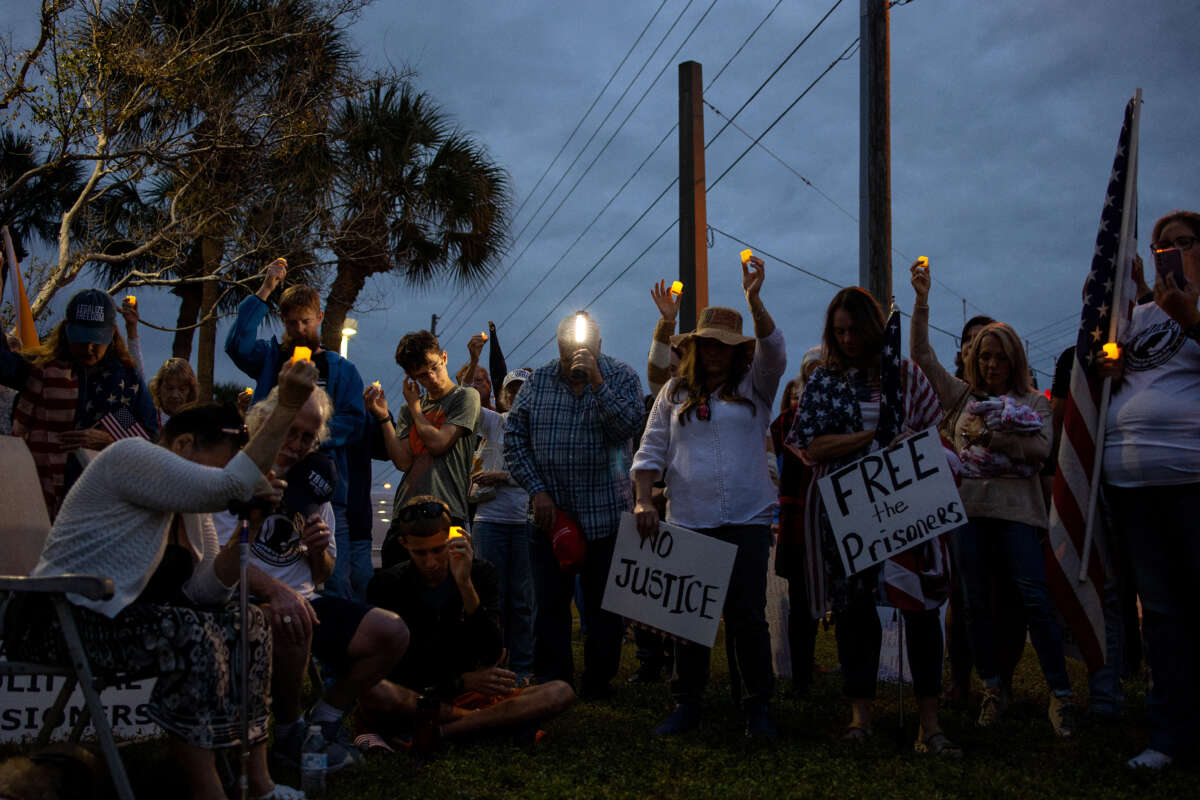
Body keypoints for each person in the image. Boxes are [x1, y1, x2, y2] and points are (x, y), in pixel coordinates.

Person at [4, 359, 321, 800]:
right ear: (184, 444)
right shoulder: (131, 456)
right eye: (228, 460)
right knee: (191, 633)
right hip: (60, 619)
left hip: (118, 624)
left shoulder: (191, 514)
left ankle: (259, 784)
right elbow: (229, 486)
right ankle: (207, 790)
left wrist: (243, 532)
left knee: (247, 622)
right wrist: (286, 405)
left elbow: (203, 592)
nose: (232, 474)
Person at [786, 286, 957, 755]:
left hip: (908, 505)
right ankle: (860, 716)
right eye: (837, 332)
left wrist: (905, 439)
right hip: (849, 513)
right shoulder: (824, 381)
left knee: (919, 610)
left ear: (872, 327)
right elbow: (811, 447)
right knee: (855, 614)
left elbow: (932, 435)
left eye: (853, 330)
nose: (847, 340)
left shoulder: (905, 376)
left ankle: (929, 721)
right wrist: (871, 437)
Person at [910, 261, 1078, 736]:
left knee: (1032, 598)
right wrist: (922, 300)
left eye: (999, 358)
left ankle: (1060, 695)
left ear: (1015, 360)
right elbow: (921, 354)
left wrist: (990, 438)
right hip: (970, 512)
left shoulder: (1034, 403)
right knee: (975, 604)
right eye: (984, 357)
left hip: (1020, 515)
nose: (990, 365)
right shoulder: (961, 399)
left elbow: (1041, 451)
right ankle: (992, 688)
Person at [213, 385, 410, 773]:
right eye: (291, 430)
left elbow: (325, 573)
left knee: (393, 632)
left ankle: (326, 716)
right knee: (291, 617)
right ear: (268, 422)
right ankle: (289, 731)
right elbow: (217, 562)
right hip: (244, 601)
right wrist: (276, 590)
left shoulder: (315, 481)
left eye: (308, 436)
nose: (298, 443)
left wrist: (318, 550)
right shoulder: (235, 473)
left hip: (305, 600)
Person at [632, 255, 786, 739]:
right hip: (691, 518)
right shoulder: (674, 394)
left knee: (747, 616)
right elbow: (650, 449)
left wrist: (754, 300)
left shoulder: (756, 388)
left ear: (739, 350)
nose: (716, 351)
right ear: (695, 346)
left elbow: (776, 351)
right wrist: (642, 500)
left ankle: (757, 706)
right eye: (708, 343)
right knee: (688, 618)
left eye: (726, 344)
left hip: (747, 517)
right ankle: (687, 706)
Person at [1098, 210, 1200, 770]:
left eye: (1184, 243)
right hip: (1133, 483)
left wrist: (1193, 320)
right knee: (1159, 613)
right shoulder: (1135, 317)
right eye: (1164, 245)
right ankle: (1169, 735)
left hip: (1191, 477)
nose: (1173, 252)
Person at [503, 311, 644, 698]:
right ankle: (554, 681)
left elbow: (628, 428)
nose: (573, 359)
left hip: (605, 518)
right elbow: (514, 440)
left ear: (599, 346)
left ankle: (599, 682)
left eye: (582, 349)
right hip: (550, 518)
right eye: (567, 351)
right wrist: (537, 490)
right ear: (557, 347)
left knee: (603, 611)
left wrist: (597, 383)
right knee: (549, 606)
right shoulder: (539, 382)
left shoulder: (622, 376)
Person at [360, 496, 575, 746]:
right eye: (420, 553)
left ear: (452, 541)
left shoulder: (479, 574)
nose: (430, 562)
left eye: (438, 550)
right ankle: (481, 723)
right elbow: (395, 667)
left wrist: (464, 583)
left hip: (473, 693)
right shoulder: (388, 584)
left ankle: (441, 733)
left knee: (560, 691)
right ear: (404, 544)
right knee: (375, 692)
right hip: (422, 693)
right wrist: (460, 681)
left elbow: (493, 651)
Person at [225, 257, 367, 602]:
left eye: (305, 321)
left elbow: (355, 421)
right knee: (260, 563)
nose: (299, 329)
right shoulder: (270, 357)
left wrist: (308, 434)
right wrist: (266, 288)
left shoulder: (341, 369)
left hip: (322, 491)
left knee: (333, 582)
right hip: (266, 480)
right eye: (291, 323)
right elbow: (236, 346)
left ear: (319, 318)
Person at [0, 289, 158, 518]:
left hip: (102, 507)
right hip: (40, 501)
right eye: (81, 340)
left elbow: (150, 436)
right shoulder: (40, 370)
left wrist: (110, 441)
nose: (89, 348)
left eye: (96, 341)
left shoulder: (124, 382)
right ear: (66, 332)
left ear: (112, 335)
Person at [366, 329, 481, 537]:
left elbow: (439, 444)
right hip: (406, 511)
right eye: (422, 376)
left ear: (444, 357)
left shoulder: (465, 397)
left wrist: (416, 408)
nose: (432, 378)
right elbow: (402, 462)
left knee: (451, 567)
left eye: (435, 367)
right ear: (411, 377)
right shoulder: (408, 409)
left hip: (448, 511)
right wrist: (383, 417)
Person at [470, 368, 536, 683]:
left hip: (524, 521)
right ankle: (491, 663)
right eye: (512, 390)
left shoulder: (540, 429)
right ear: (504, 396)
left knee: (522, 599)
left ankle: (522, 666)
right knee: (490, 597)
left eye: (523, 390)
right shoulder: (496, 422)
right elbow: (465, 400)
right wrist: (473, 361)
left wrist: (502, 476)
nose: (517, 395)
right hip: (490, 521)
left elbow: (540, 472)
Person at [770, 346, 823, 698]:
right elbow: (771, 450)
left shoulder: (843, 414)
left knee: (840, 601)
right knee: (802, 602)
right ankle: (802, 675)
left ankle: (850, 674)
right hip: (799, 516)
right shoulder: (788, 421)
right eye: (812, 370)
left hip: (831, 516)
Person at [148, 357, 200, 425]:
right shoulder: (146, 421)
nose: (175, 395)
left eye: (182, 389)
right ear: (158, 389)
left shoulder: (199, 426)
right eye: (169, 388)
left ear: (190, 392)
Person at [456, 332, 494, 410]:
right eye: (468, 384)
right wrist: (474, 361)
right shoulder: (455, 420)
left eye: (478, 381)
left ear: (489, 385)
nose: (473, 386)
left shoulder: (503, 417)